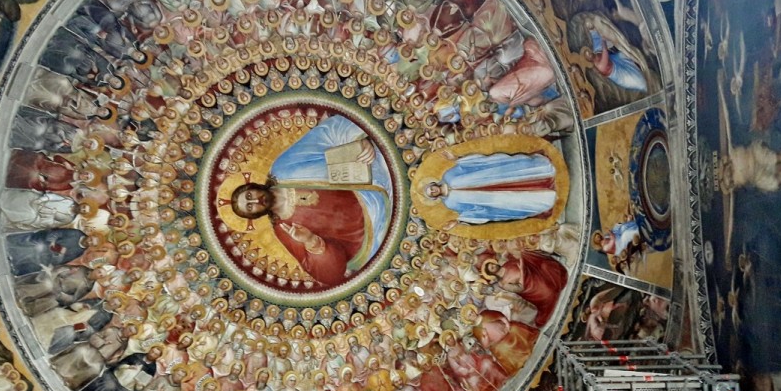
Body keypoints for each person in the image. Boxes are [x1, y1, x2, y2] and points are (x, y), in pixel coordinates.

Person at [228, 115, 392, 286]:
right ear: (255, 215)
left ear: (253, 186)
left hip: (376, 167)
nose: (254, 202)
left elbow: (326, 134)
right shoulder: (284, 230)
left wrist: (359, 143)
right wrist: (311, 241)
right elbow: (329, 275)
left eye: (249, 196)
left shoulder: (283, 167)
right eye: (249, 207)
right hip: (377, 233)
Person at [424, 151, 557, 226]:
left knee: (515, 173)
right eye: (432, 193)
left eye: (432, 188)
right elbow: (471, 211)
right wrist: (458, 221)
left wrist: (457, 158)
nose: (434, 190)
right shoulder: (449, 203)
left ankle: (544, 172)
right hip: (490, 199)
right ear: (434, 197)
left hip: (489, 175)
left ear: (433, 184)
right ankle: (547, 198)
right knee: (517, 201)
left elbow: (468, 165)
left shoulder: (448, 174)